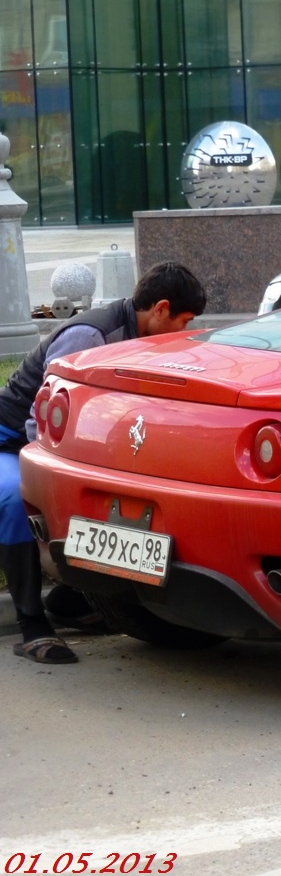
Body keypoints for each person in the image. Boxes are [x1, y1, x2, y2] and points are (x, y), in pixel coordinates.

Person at [1, 261, 207, 665]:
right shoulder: (89, 337)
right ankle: (31, 626)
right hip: (13, 443)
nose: (185, 333)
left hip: (64, 447)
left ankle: (71, 598)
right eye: (184, 321)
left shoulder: (145, 338)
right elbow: (38, 421)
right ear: (160, 308)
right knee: (14, 499)